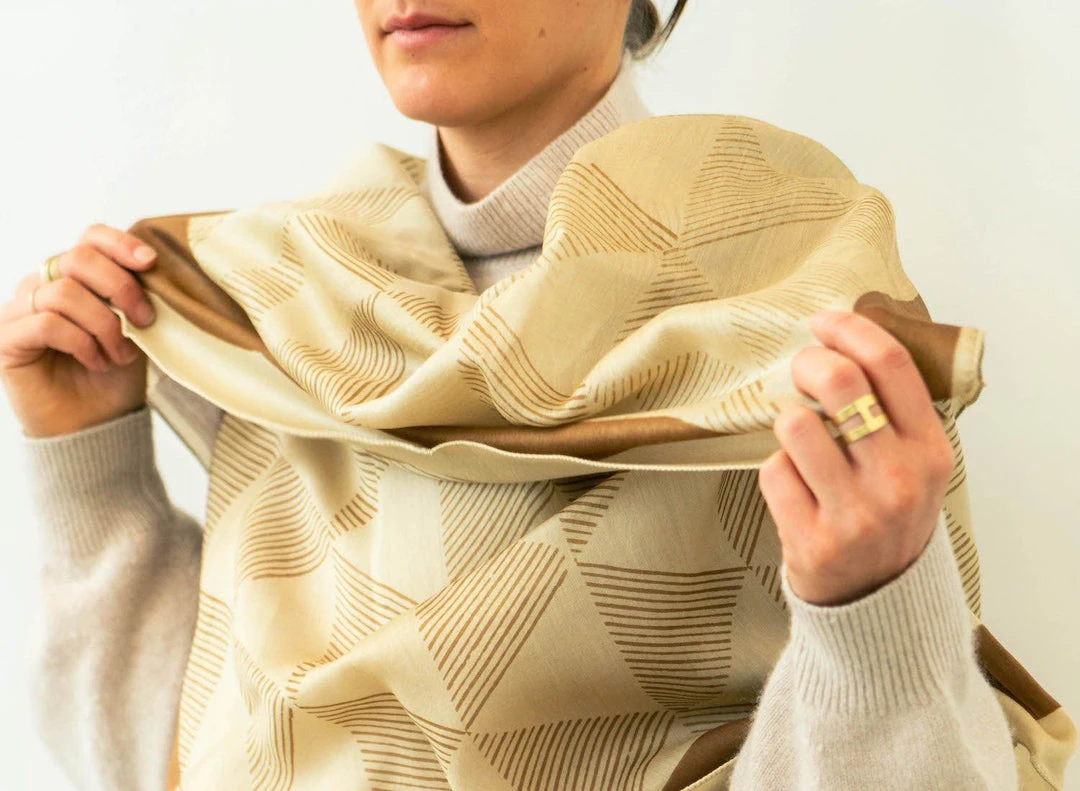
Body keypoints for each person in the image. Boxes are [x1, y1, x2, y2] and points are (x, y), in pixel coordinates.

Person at [0, 1, 1023, 789]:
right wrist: (88, 470)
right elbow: (201, 757)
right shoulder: (283, 305)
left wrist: (873, 610)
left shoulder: (787, 313)